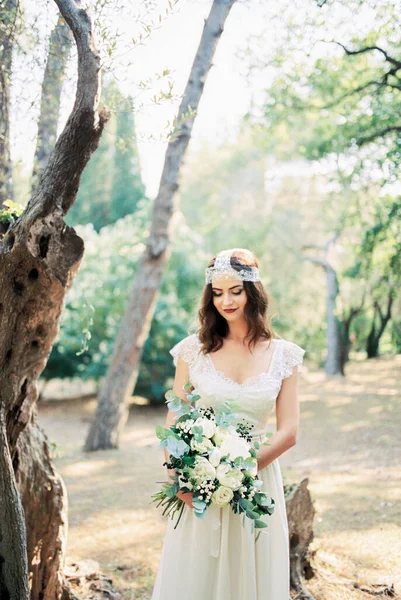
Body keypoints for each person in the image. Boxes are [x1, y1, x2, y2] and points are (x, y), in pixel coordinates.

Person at [151, 248, 305, 600]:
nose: (226, 301)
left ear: (253, 291)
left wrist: (242, 470)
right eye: (217, 293)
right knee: (197, 575)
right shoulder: (193, 351)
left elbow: (290, 431)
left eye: (235, 290)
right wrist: (178, 477)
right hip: (200, 480)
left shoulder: (284, 355)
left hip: (258, 477)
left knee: (253, 574)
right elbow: (176, 416)